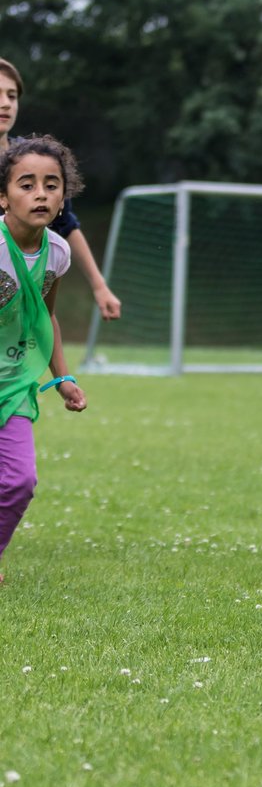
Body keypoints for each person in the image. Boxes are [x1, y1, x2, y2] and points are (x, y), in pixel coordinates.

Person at [0, 135, 89, 584]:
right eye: (27, 184)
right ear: (3, 196)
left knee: (20, 483)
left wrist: (62, 377)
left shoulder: (58, 252)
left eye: (52, 185)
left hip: (13, 382)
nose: (41, 194)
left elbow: (46, 316)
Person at [0, 57, 122, 321]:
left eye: (12, 95)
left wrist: (99, 286)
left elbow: (66, 224)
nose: (6, 103)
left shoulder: (31, 160)